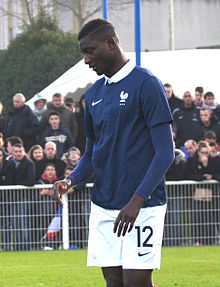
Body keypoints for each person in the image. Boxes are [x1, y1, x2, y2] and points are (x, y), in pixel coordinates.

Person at [52, 18, 174, 287]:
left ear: (110, 44)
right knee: (114, 282)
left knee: (137, 282)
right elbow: (92, 155)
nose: (86, 60)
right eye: (83, 53)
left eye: (89, 51)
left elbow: (165, 151)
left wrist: (137, 200)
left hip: (142, 205)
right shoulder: (93, 95)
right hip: (104, 203)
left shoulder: (147, 84)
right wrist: (70, 180)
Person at [184, 140, 220, 245]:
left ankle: (209, 240)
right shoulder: (191, 161)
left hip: (212, 196)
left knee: (210, 217)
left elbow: (217, 173)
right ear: (198, 152)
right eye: (202, 153)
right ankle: (197, 240)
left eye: (206, 153)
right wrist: (202, 176)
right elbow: (187, 176)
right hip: (196, 195)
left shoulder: (214, 161)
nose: (205, 155)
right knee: (197, 218)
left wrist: (211, 176)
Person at [4, 143, 35, 250]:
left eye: (20, 151)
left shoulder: (29, 163)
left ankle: (26, 246)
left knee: (23, 223)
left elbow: (30, 181)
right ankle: (18, 247)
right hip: (12, 198)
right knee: (15, 224)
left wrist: (17, 183)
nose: (18, 154)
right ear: (12, 152)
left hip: (23, 197)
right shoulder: (9, 164)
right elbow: (8, 180)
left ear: (24, 151)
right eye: (16, 152)